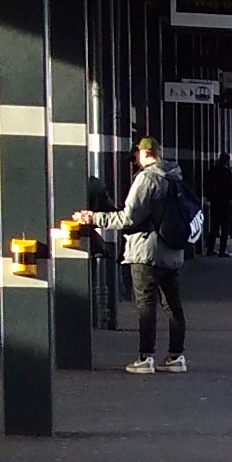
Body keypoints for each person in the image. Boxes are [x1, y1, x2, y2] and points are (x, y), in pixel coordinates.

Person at [75, 137, 192, 373]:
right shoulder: (175, 175)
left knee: (146, 305)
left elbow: (128, 218)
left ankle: (145, 357)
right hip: (172, 249)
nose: (135, 162)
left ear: (144, 153)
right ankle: (176, 356)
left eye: (136, 156)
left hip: (146, 251)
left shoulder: (147, 178)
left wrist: (93, 218)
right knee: (172, 305)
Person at [202, 155, 232, 258]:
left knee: (213, 226)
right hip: (225, 202)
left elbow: (206, 184)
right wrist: (231, 196)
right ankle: (222, 250)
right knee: (225, 226)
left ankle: (210, 249)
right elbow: (231, 186)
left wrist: (210, 196)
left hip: (214, 202)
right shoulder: (227, 172)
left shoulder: (212, 170)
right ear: (227, 161)